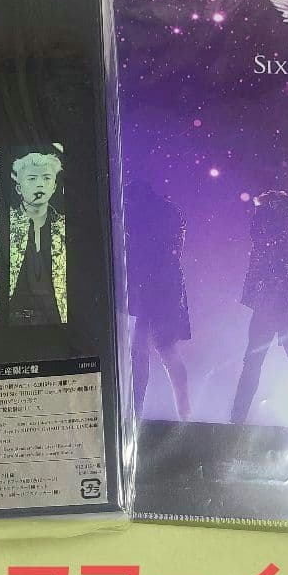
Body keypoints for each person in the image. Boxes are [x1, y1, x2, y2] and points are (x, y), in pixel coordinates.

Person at [230, 187, 288, 426]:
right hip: (286, 302)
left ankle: (237, 419)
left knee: (254, 362)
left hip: (270, 301)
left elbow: (260, 239)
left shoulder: (270, 224)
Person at [125, 180, 192, 420]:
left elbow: (136, 251)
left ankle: (138, 413)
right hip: (166, 287)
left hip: (147, 287)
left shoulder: (137, 215)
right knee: (165, 349)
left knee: (142, 350)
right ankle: (184, 413)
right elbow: (175, 250)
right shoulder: (169, 211)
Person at [8, 150, 67, 325]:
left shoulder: (63, 226)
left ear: (54, 187)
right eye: (32, 179)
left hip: (56, 323)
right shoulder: (4, 224)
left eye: (46, 178)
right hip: (12, 323)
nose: (40, 184)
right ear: (19, 188)